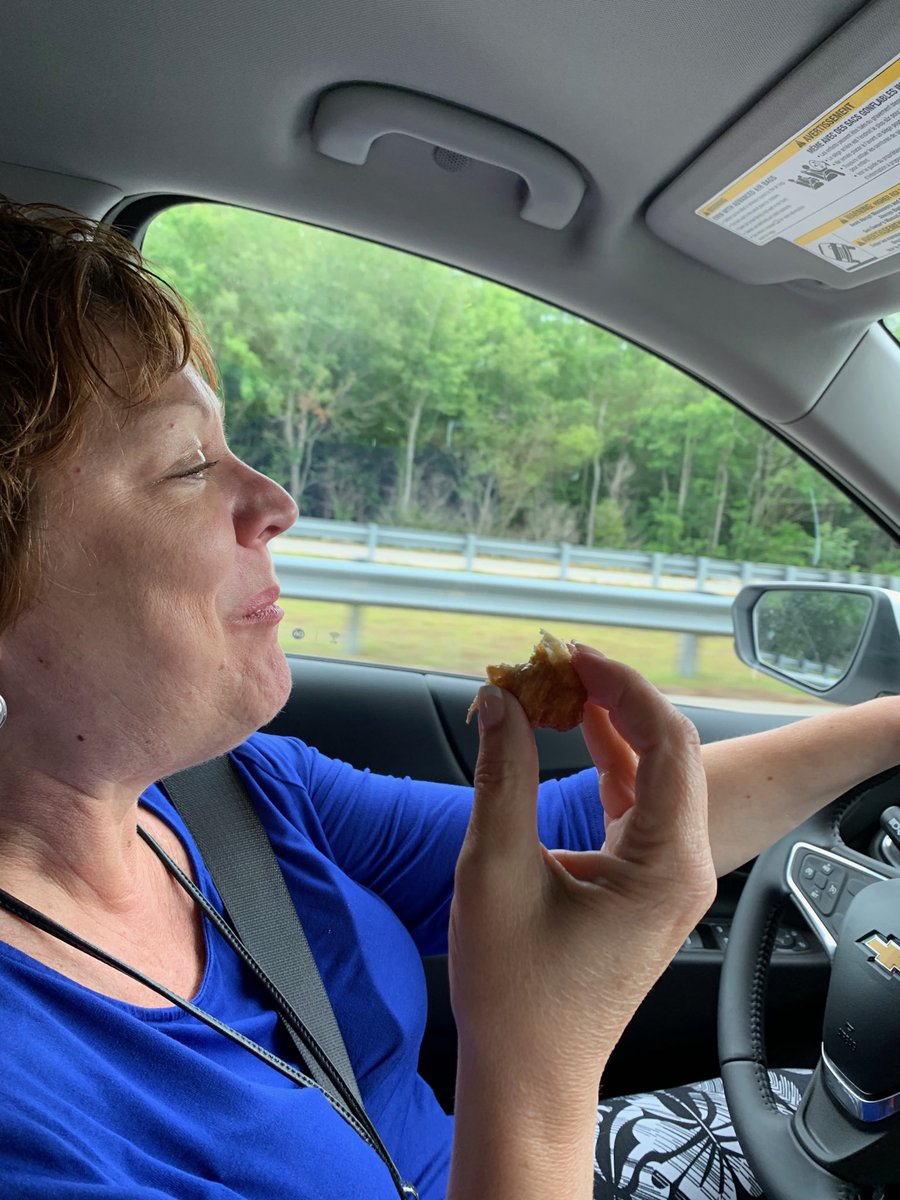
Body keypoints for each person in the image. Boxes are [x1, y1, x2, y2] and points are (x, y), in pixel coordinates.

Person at [0, 199, 896, 1200]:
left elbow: (579, 828)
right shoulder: (22, 1115)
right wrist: (541, 1060)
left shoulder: (227, 794)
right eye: (187, 466)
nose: (274, 504)